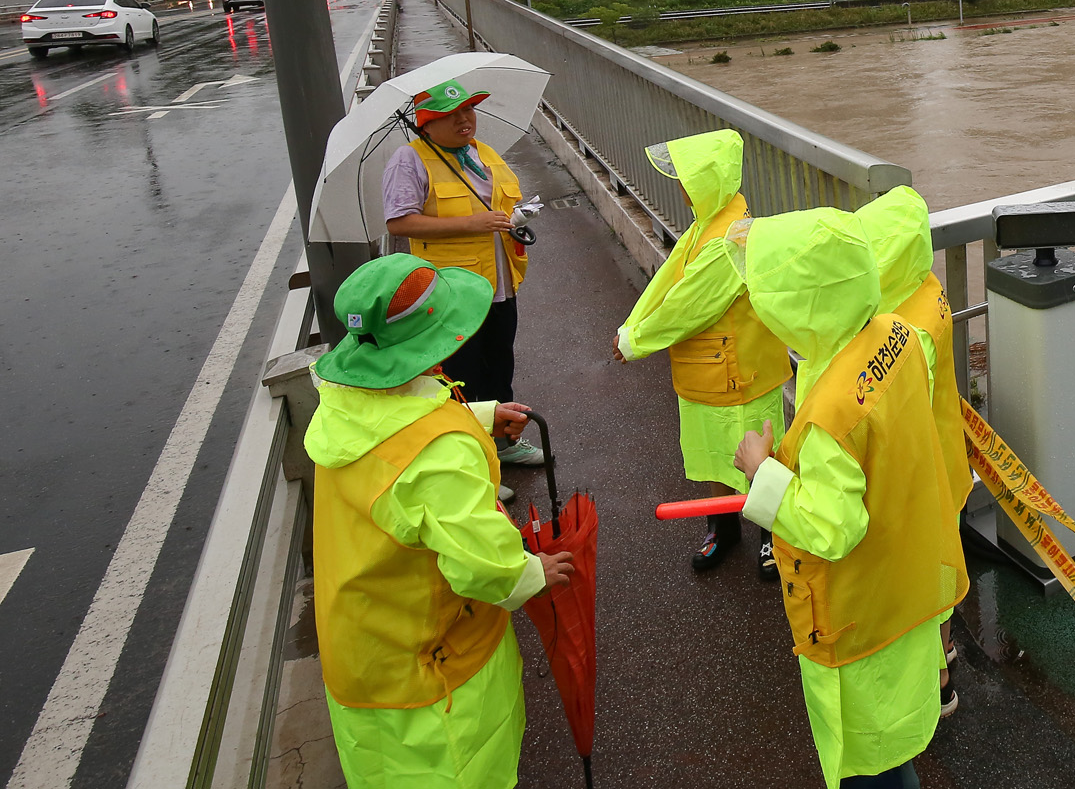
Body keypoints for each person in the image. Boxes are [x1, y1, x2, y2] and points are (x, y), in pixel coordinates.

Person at [307, 254, 575, 789]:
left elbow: (395, 428)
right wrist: (534, 572)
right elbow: (484, 568)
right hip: (432, 682)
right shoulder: (440, 458)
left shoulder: (342, 404)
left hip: (365, 652)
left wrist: (478, 414)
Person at [732, 207, 968, 788]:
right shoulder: (895, 334)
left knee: (869, 761)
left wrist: (762, 474)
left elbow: (834, 527)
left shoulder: (830, 414)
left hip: (860, 615)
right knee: (896, 746)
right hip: (906, 581)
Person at [615, 128, 791, 578]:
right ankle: (723, 526)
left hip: (742, 370)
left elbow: (687, 305)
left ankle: (775, 534)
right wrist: (633, 328)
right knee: (715, 454)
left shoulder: (730, 236)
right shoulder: (707, 223)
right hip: (710, 368)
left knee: (759, 452)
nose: (680, 186)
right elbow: (668, 285)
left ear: (709, 180)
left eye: (690, 177)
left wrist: (636, 340)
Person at [382, 76, 542, 471]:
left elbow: (505, 204)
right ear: (426, 123)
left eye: (468, 109)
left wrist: (516, 217)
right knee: (459, 378)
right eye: (451, 115)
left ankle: (503, 446)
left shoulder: (482, 152)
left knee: (499, 366)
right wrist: (471, 224)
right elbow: (399, 223)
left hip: (500, 284)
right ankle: (472, 464)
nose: (464, 120)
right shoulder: (410, 159)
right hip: (450, 293)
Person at [855, 185, 972, 718]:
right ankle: (944, 654)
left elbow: (896, 413)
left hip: (923, 477)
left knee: (929, 578)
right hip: (947, 461)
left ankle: (937, 681)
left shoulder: (906, 330)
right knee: (943, 568)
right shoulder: (926, 286)